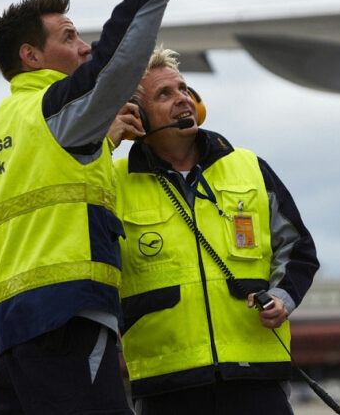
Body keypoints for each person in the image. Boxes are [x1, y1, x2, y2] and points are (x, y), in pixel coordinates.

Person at [0, 0, 199, 413]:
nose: (85, 47)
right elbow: (120, 54)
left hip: (10, 338)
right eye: (69, 37)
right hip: (67, 322)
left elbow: (18, 234)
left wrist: (102, 141)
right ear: (30, 56)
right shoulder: (54, 110)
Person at [107, 47, 320, 414]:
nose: (182, 100)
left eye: (184, 89)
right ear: (136, 116)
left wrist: (283, 298)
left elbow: (297, 248)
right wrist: (103, 146)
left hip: (256, 376)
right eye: (165, 94)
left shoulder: (249, 167)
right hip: (167, 383)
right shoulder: (111, 183)